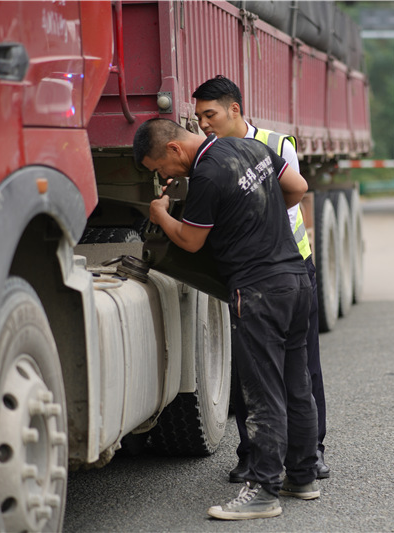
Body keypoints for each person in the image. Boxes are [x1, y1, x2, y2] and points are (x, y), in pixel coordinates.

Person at [133, 118, 319, 520]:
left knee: (262, 391)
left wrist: (161, 213)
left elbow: (191, 240)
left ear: (173, 150)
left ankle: (264, 491)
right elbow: (297, 188)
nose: (162, 175)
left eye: (158, 168)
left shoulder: (208, 175)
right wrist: (257, 216)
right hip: (296, 279)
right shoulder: (252, 148)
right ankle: (302, 476)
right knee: (296, 382)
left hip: (258, 291)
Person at [192, 75, 331, 481]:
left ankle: (313, 450)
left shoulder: (275, 144)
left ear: (234, 109)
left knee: (304, 367)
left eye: (210, 114)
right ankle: (250, 451)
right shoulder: (211, 156)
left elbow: (292, 197)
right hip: (247, 272)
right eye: (198, 117)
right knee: (248, 367)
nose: (203, 124)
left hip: (289, 265)